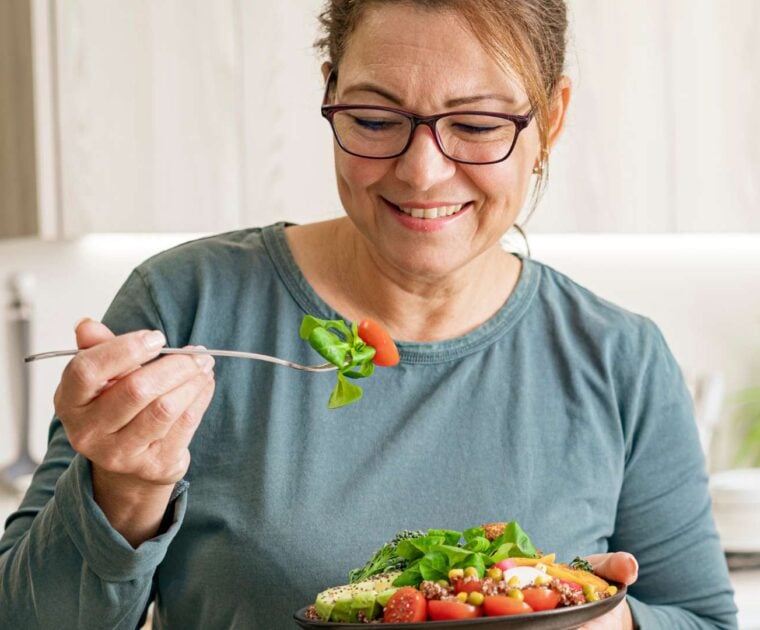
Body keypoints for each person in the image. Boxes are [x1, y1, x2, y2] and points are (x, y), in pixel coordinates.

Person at [0, 1, 738, 628]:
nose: (421, 171)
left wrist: (612, 619)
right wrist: (122, 493)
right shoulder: (186, 304)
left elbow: (702, 617)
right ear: (330, 96)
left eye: (477, 125)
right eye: (376, 118)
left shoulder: (621, 359)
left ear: (550, 120)